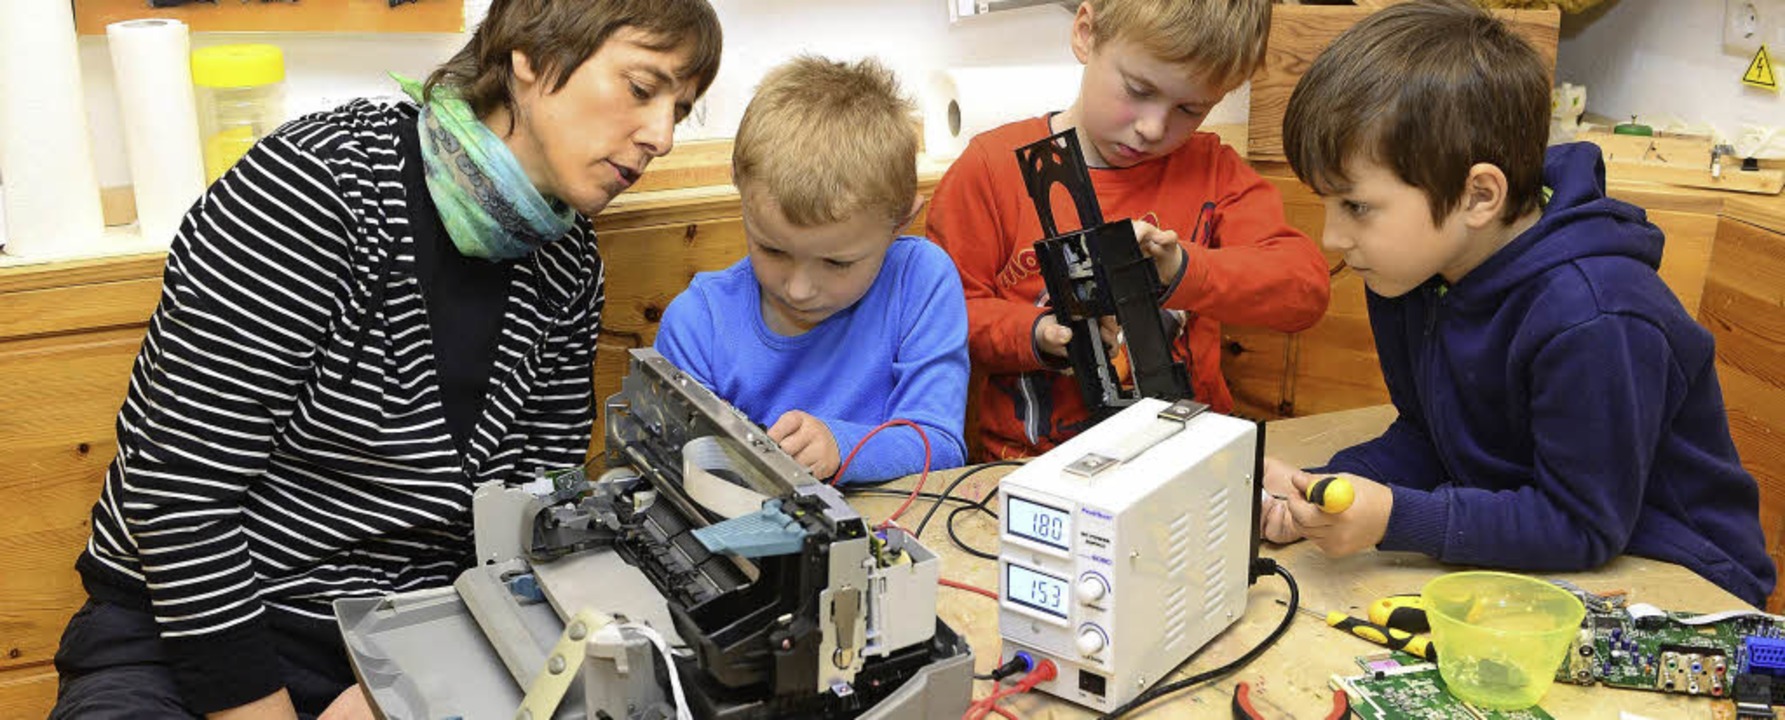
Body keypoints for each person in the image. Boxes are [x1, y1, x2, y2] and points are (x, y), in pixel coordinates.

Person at [49, 1, 722, 717]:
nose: (661, 136)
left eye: (679, 109)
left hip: (414, 634)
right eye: (642, 89)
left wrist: (400, 683)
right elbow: (179, 498)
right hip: (185, 637)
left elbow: (533, 519)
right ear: (530, 54)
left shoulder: (565, 264)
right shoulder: (314, 188)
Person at [1260, 0, 1774, 607]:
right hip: (1547, 544)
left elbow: (1580, 524)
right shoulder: (1415, 270)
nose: (1333, 238)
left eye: (1357, 207)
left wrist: (1395, 516)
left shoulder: (1594, 315)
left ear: (1479, 195)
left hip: (1682, 582)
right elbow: (1432, 438)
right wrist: (1318, 487)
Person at [926, 0, 1330, 460]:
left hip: (1188, 457)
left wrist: (1181, 271)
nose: (1153, 128)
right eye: (1138, 90)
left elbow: (1305, 288)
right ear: (1085, 33)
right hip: (1032, 466)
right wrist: (1037, 332)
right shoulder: (989, 171)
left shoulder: (1215, 170)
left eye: (1190, 109)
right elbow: (946, 318)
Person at [654, 56, 969, 484]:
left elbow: (940, 442)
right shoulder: (697, 324)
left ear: (900, 222)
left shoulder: (921, 280)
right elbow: (682, 474)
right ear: (740, 191)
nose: (799, 290)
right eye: (772, 250)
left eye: (837, 263)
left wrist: (842, 447)